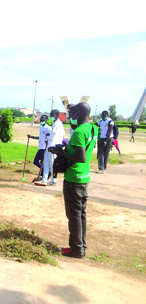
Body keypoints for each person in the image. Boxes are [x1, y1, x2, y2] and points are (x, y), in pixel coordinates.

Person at [51, 102, 98, 258]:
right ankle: (81, 246)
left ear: (78, 114)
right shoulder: (93, 128)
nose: (70, 117)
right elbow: (82, 147)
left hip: (74, 179)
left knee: (74, 216)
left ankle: (76, 250)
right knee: (81, 214)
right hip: (84, 178)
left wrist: (60, 153)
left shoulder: (78, 132)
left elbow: (80, 158)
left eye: (72, 114)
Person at [35, 109, 65, 186]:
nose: (50, 116)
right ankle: (44, 179)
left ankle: (53, 180)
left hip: (54, 146)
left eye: (51, 115)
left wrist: (48, 137)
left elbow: (52, 136)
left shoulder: (57, 124)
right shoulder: (57, 123)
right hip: (50, 145)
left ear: (55, 115)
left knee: (52, 163)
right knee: (46, 162)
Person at [27, 115, 51, 180]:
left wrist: (47, 140)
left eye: (43, 120)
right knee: (35, 161)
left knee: (41, 161)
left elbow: (51, 137)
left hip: (44, 147)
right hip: (40, 147)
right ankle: (45, 170)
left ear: (46, 120)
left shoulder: (48, 128)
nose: (41, 121)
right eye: (41, 120)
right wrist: (32, 137)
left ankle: (45, 172)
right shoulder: (41, 127)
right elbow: (40, 137)